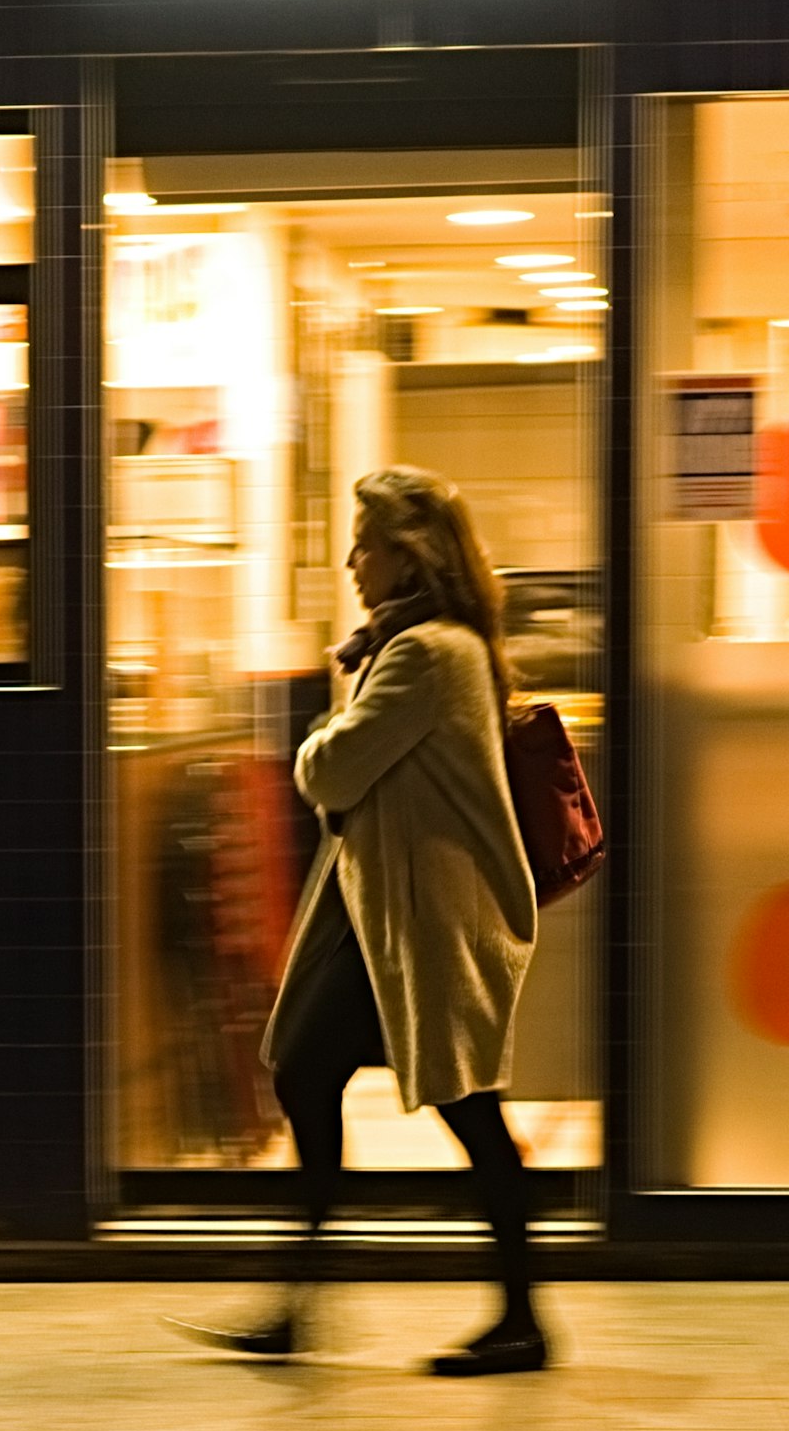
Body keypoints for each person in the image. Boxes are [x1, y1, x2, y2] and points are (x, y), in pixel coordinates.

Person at [172, 466, 549, 1376]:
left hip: (427, 921)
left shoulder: (426, 654)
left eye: (365, 545)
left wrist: (317, 733)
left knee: (467, 1108)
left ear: (406, 556)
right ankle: (304, 1300)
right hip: (382, 911)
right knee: (307, 1069)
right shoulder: (418, 646)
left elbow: (329, 772)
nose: (350, 561)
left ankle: (522, 1319)